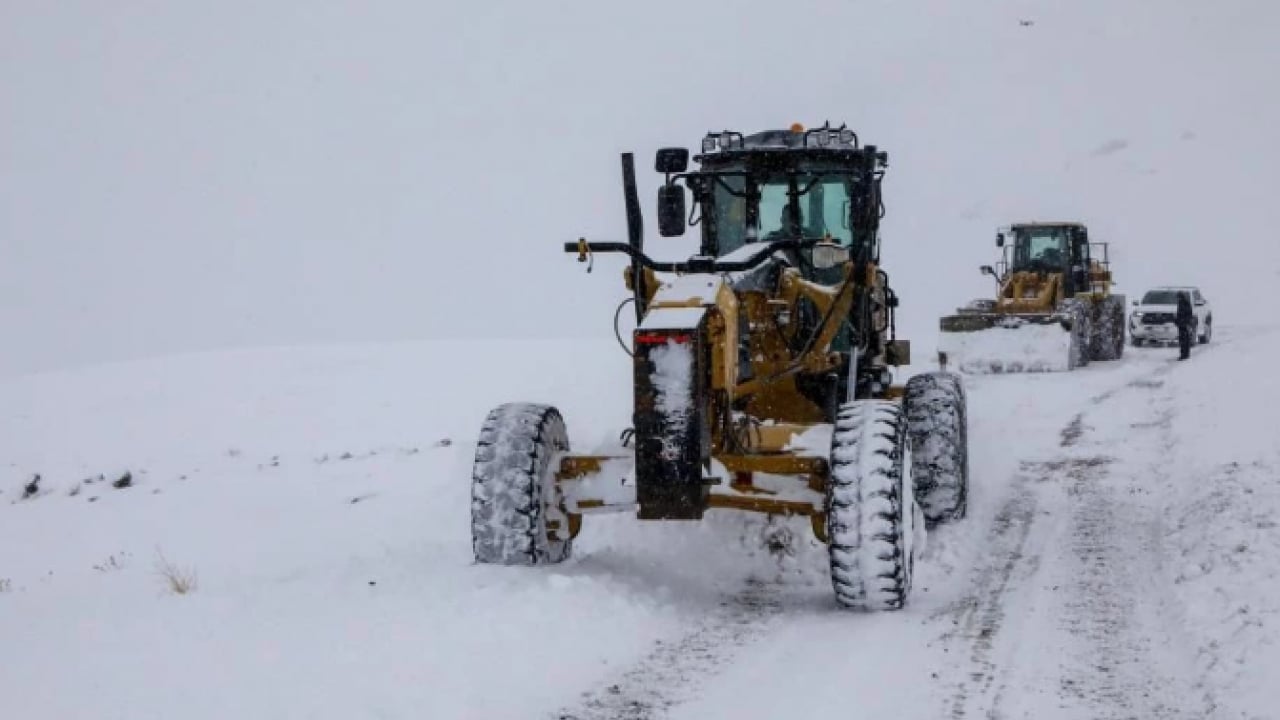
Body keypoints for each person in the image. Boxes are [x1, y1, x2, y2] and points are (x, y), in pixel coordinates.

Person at [1175, 291, 1194, 360]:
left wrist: (1185, 322)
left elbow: (1188, 314)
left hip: (1185, 324)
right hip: (1181, 324)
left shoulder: (1185, 304)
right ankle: (1184, 354)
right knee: (1182, 340)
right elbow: (1179, 314)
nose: (1177, 299)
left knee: (1185, 340)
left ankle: (1185, 354)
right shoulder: (1180, 304)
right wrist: (1177, 321)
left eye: (1178, 297)